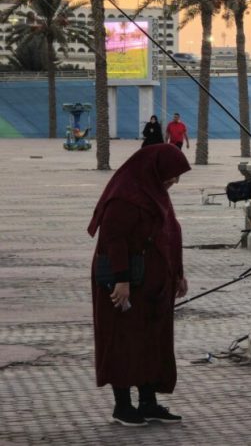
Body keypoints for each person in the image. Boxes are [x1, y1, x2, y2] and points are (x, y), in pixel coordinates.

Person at [88, 143, 191, 427]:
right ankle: (123, 406)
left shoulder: (154, 192)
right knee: (122, 342)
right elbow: (113, 240)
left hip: (154, 288)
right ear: (155, 170)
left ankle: (148, 403)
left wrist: (178, 274)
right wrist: (121, 281)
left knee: (151, 343)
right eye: (171, 175)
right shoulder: (125, 196)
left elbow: (170, 233)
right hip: (127, 286)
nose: (174, 181)